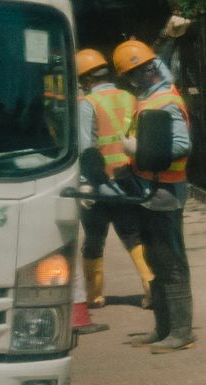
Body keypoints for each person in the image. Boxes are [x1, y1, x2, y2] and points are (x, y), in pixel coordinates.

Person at [112, 38, 196, 353]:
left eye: (138, 72)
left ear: (148, 71)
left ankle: (181, 332)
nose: (136, 79)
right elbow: (160, 55)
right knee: (154, 259)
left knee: (170, 261)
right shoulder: (151, 94)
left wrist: (141, 149)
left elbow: (182, 145)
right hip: (149, 189)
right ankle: (163, 328)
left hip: (166, 191)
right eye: (132, 75)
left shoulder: (167, 101)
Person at [75, 48, 155, 310]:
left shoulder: (88, 104)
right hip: (129, 182)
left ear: (85, 80)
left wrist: (85, 183)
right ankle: (150, 288)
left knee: (94, 240)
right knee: (133, 237)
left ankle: (94, 297)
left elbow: (86, 149)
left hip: (97, 187)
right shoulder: (130, 98)